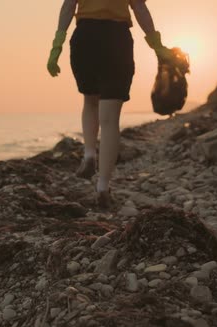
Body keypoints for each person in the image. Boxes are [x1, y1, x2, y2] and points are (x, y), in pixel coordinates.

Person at [47, 0, 173, 209]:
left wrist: (57, 45)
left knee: (90, 100)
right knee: (110, 120)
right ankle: (103, 187)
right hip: (117, 39)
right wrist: (156, 45)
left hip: (85, 38)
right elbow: (140, 8)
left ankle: (89, 154)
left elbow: (68, 6)